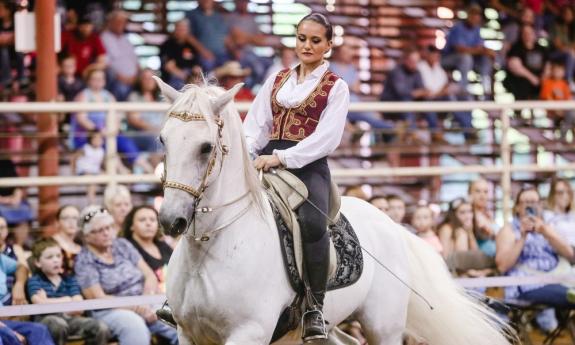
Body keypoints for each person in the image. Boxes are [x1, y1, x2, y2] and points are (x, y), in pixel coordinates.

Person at [243, 13, 350, 341]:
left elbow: (326, 139)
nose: (307, 45)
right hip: (264, 159)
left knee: (313, 223)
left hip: (307, 165)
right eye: (303, 38)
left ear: (328, 46)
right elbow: (255, 125)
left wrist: (282, 158)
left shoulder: (336, 87)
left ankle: (314, 307)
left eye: (316, 40)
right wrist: (249, 155)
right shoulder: (276, 80)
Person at [74, 205, 178, 344]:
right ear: (86, 236)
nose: (106, 233)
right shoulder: (84, 259)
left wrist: (146, 301)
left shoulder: (121, 245)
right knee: (136, 328)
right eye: (99, 230)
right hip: (111, 310)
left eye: (109, 227)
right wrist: (136, 307)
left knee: (178, 323)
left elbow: (149, 275)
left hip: (144, 302)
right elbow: (98, 298)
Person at [496, 186, 575, 331]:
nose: (530, 205)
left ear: (540, 205)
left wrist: (545, 231)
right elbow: (502, 266)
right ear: (518, 207)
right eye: (525, 202)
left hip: (557, 280)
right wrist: (522, 237)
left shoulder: (547, 227)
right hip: (527, 286)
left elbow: (570, 254)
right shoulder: (508, 230)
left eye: (534, 201)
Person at [27, 239, 109, 345]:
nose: (56, 260)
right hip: (46, 320)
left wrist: (48, 301)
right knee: (58, 324)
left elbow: (79, 306)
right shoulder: (35, 280)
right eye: (49, 257)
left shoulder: (69, 279)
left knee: (100, 327)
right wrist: (67, 300)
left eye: (58, 256)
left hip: (70, 320)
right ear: (38, 262)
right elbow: (39, 304)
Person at [442, 4, 495, 98]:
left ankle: (486, 90)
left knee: (485, 59)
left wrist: (486, 51)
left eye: (477, 15)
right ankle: (463, 89)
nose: (475, 17)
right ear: (468, 15)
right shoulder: (458, 27)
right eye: (473, 14)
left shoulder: (477, 29)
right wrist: (480, 51)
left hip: (469, 58)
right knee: (466, 58)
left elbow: (480, 47)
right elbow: (460, 49)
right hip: (448, 58)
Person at [121, 206, 172, 292]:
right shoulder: (126, 249)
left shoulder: (164, 246)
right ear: (131, 226)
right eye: (142, 220)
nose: (148, 223)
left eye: (152, 220)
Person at [100, 10, 139, 101]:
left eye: (123, 21)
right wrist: (120, 77)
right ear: (110, 22)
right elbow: (106, 63)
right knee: (121, 88)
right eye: (118, 21)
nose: (121, 24)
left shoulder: (126, 39)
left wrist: (135, 77)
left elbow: (136, 62)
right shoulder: (104, 38)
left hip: (133, 79)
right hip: (116, 79)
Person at [503, 25, 548, 101]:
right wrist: (532, 78)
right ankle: (518, 110)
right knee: (522, 84)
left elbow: (548, 63)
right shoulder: (516, 48)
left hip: (540, 80)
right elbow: (514, 65)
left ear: (534, 34)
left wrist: (545, 76)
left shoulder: (541, 48)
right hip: (521, 81)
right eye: (525, 33)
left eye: (530, 33)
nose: (528, 35)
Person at [159, 19, 203, 90]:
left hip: (190, 76)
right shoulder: (167, 45)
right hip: (174, 78)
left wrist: (196, 73)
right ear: (175, 29)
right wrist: (186, 77)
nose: (181, 31)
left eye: (184, 29)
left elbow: (197, 66)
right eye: (180, 29)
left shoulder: (191, 45)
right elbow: (169, 67)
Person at [540, 58, 575, 140]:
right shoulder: (548, 83)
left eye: (560, 70)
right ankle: (562, 139)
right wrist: (557, 110)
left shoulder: (564, 84)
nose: (558, 73)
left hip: (565, 111)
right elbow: (547, 99)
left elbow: (568, 99)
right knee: (571, 115)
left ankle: (564, 138)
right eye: (556, 70)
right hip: (553, 111)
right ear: (552, 71)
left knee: (571, 115)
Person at [468, 178, 499, 257]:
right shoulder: (469, 216)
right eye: (478, 191)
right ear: (470, 194)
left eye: (485, 192)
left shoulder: (488, 216)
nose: (482, 195)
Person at [0, 216, 26, 306]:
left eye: (2, 227)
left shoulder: (15, 249)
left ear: (7, 230)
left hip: (14, 299)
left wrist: (19, 284)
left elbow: (24, 269)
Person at [73, 130, 104, 203]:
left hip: (94, 171)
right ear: (90, 139)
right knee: (91, 180)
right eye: (95, 138)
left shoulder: (101, 151)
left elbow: (99, 164)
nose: (98, 140)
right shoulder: (85, 149)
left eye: (100, 138)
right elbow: (73, 158)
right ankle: (91, 202)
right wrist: (73, 171)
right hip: (83, 171)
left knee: (108, 176)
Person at [544, 178, 575, 246]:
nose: (565, 196)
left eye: (569, 192)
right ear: (552, 195)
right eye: (560, 192)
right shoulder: (547, 216)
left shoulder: (572, 215)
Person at [52, 205, 82, 273]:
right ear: (57, 222)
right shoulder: (50, 243)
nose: (71, 222)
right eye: (66, 218)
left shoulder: (81, 248)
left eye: (75, 218)